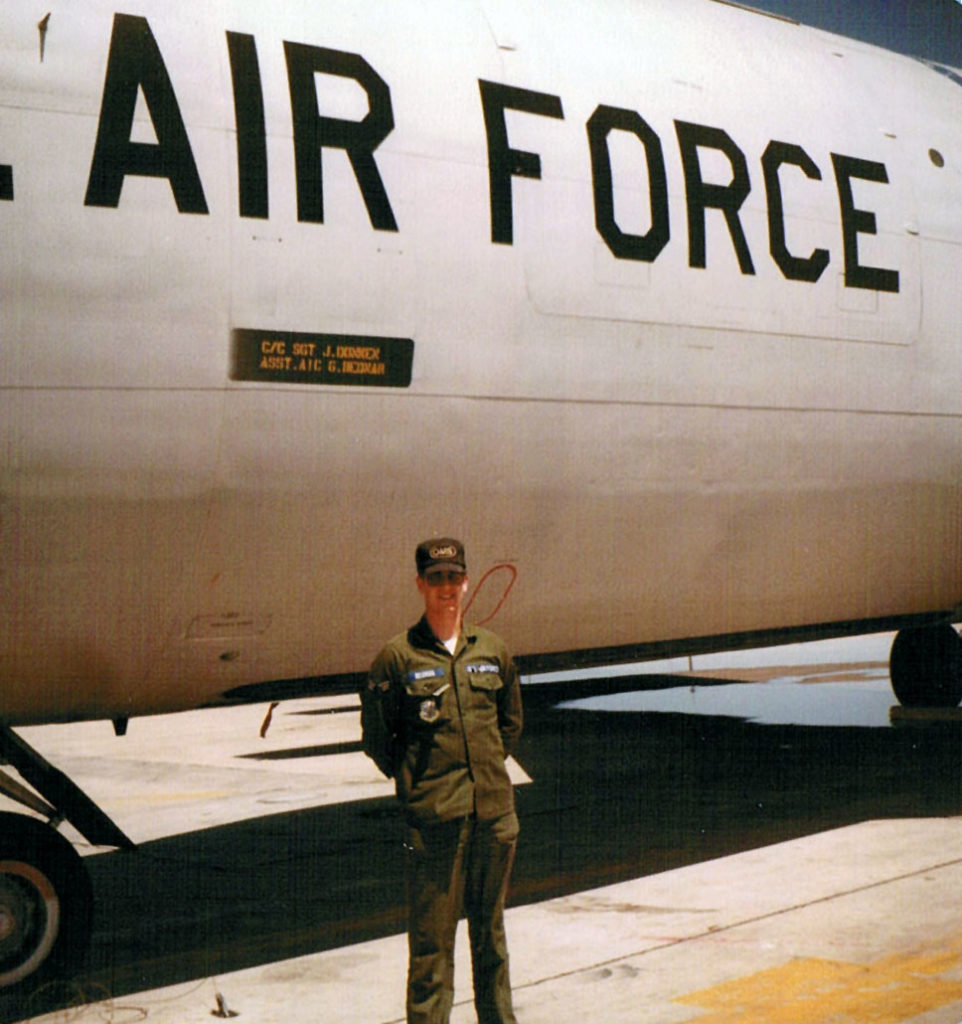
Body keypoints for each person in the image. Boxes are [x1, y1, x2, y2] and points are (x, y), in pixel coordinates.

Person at [361, 537, 523, 1024]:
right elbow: (378, 740)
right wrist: (421, 785)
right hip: (434, 824)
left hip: (493, 818)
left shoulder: (492, 651)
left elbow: (509, 726)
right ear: (420, 584)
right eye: (436, 578)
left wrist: (484, 775)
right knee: (432, 952)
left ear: (466, 581)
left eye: (454, 578)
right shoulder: (398, 657)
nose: (446, 588)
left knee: (490, 940)